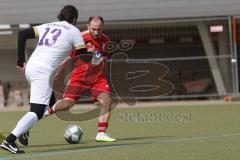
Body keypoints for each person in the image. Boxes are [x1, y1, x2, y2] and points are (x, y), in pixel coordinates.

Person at [0, 5, 90, 154]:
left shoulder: (48, 25)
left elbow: (22, 34)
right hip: (43, 71)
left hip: (31, 67)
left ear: (61, 15)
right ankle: (9, 140)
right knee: (37, 111)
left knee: (52, 102)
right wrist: (92, 53)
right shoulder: (74, 31)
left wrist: (20, 59)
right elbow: (83, 57)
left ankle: (24, 129)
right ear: (74, 19)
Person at [45, 16, 116, 142]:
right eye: (93, 29)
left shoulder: (106, 40)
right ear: (88, 27)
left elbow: (102, 60)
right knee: (67, 104)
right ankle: (47, 111)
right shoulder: (80, 37)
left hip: (97, 78)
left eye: (99, 29)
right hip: (79, 77)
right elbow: (69, 57)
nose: (96, 32)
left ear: (102, 28)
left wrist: (104, 78)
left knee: (107, 100)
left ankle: (101, 133)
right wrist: (59, 71)